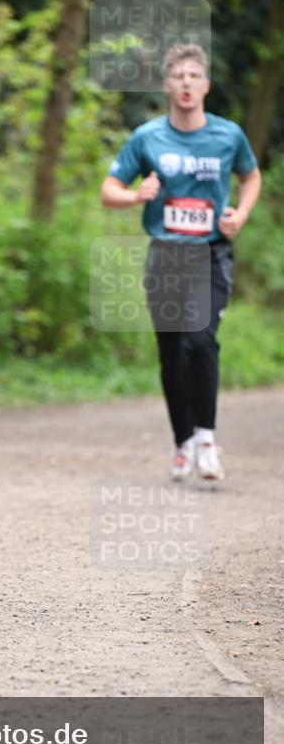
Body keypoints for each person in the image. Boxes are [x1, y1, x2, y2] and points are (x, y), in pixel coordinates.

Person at [101, 42, 261, 481]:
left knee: (200, 338)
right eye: (179, 76)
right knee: (172, 353)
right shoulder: (147, 136)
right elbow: (109, 189)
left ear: (205, 85)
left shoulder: (228, 135)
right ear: (167, 85)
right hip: (166, 255)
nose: (187, 83)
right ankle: (182, 442)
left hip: (210, 252)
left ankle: (207, 440)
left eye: (194, 76)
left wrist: (240, 214)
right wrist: (136, 195)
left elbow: (250, 175)